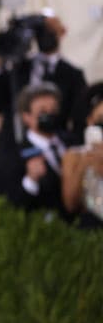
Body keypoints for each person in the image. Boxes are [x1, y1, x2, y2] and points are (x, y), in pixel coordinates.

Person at [0, 14, 87, 138]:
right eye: (41, 29)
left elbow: (79, 118)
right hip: (13, 144)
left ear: (62, 32)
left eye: (50, 30)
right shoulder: (18, 68)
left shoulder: (73, 75)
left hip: (54, 142)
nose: (45, 35)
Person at [8, 82, 72, 214]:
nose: (50, 115)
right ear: (27, 117)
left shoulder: (72, 141)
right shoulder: (15, 154)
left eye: (53, 110)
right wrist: (31, 180)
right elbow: (14, 207)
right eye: (42, 112)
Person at [62, 82, 103, 229]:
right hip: (90, 229)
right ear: (90, 120)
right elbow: (70, 205)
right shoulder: (75, 155)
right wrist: (82, 167)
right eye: (100, 120)